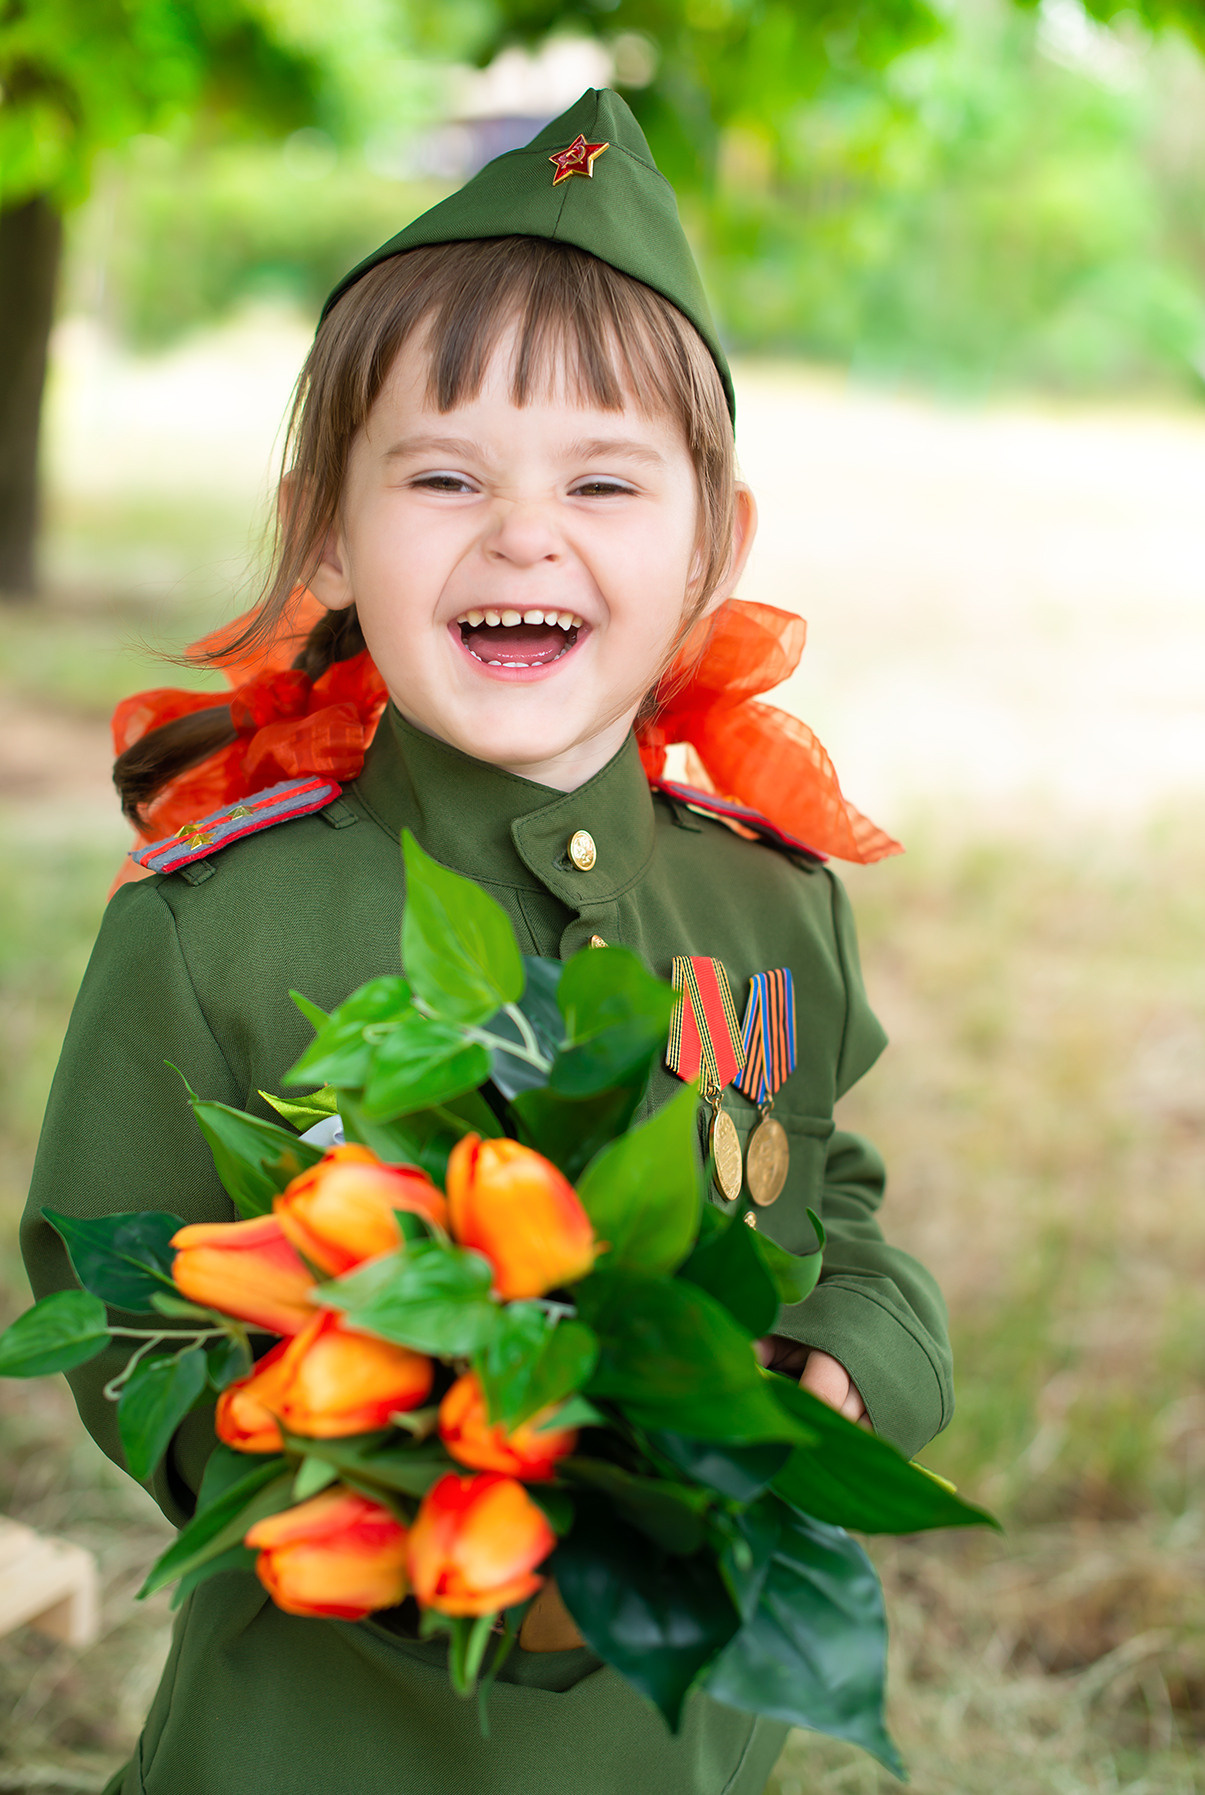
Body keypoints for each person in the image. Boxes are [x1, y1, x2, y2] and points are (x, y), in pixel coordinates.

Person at [21, 88, 951, 1795]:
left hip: (673, 1738)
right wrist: (324, 1466)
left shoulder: (766, 907)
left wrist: (850, 1364)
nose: (524, 533)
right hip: (315, 1728)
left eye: (603, 481)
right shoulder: (218, 918)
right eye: (442, 475)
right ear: (328, 532)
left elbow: (835, 1210)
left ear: (705, 553)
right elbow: (107, 1277)